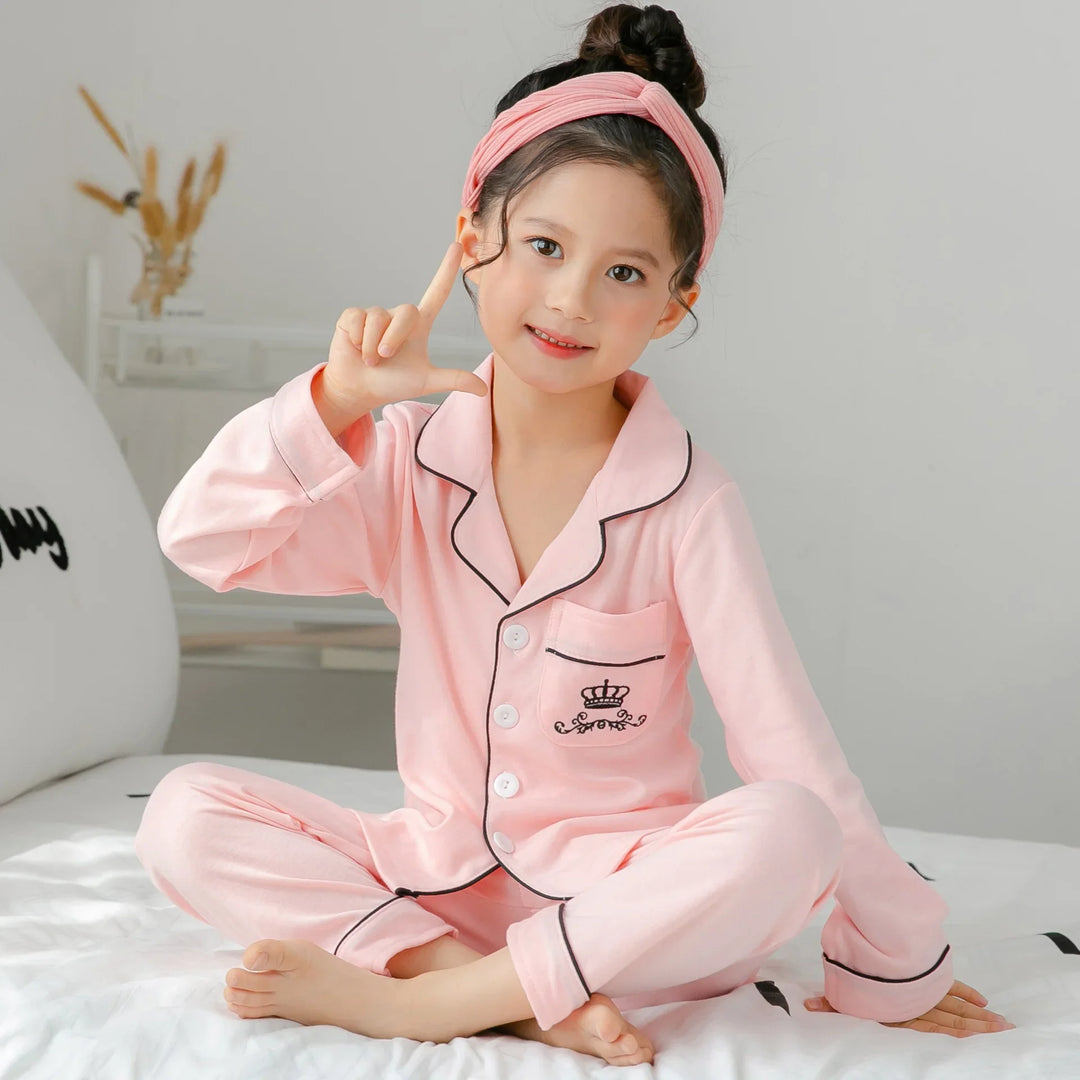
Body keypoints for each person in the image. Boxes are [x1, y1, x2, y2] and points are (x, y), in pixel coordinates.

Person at [135, 3, 1014, 1066]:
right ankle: (467, 988)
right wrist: (334, 405)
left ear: (675, 303)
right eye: (544, 245)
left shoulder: (689, 503)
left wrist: (895, 962)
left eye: (626, 273)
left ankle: (416, 1003)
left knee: (789, 828)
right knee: (181, 814)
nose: (570, 298)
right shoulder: (409, 461)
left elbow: (792, 753)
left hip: (625, 919)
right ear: (472, 241)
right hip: (435, 887)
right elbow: (203, 540)